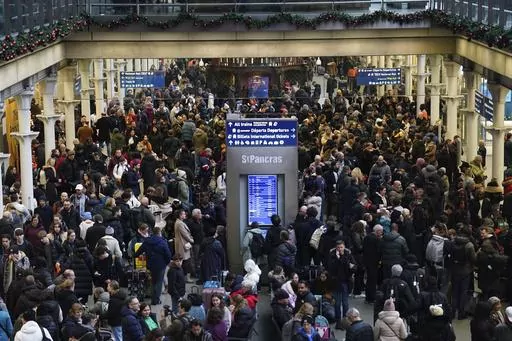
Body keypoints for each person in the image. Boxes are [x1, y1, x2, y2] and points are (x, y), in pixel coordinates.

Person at [135, 226, 172, 305]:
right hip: (161, 265)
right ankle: (156, 300)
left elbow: (138, 252)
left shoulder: (147, 241)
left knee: (153, 281)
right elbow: (168, 254)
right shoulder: (163, 242)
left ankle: (153, 297)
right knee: (159, 282)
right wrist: (167, 262)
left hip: (150, 265)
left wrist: (138, 256)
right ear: (159, 233)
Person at [328, 240, 356, 328]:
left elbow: (354, 266)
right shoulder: (332, 255)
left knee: (345, 303)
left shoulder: (348, 255)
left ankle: (345, 321)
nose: (340, 249)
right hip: (336, 282)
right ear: (336, 248)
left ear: (344, 247)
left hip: (346, 281)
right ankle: (338, 322)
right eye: (338, 247)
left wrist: (351, 266)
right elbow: (331, 267)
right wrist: (338, 259)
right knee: (337, 303)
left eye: (341, 247)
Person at [174, 209, 195, 283]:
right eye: (183, 214)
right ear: (180, 215)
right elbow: (185, 234)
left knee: (185, 262)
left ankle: (184, 277)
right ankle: (185, 278)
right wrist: (191, 240)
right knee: (185, 262)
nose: (185, 215)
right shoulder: (179, 223)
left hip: (183, 244)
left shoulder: (180, 222)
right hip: (183, 245)